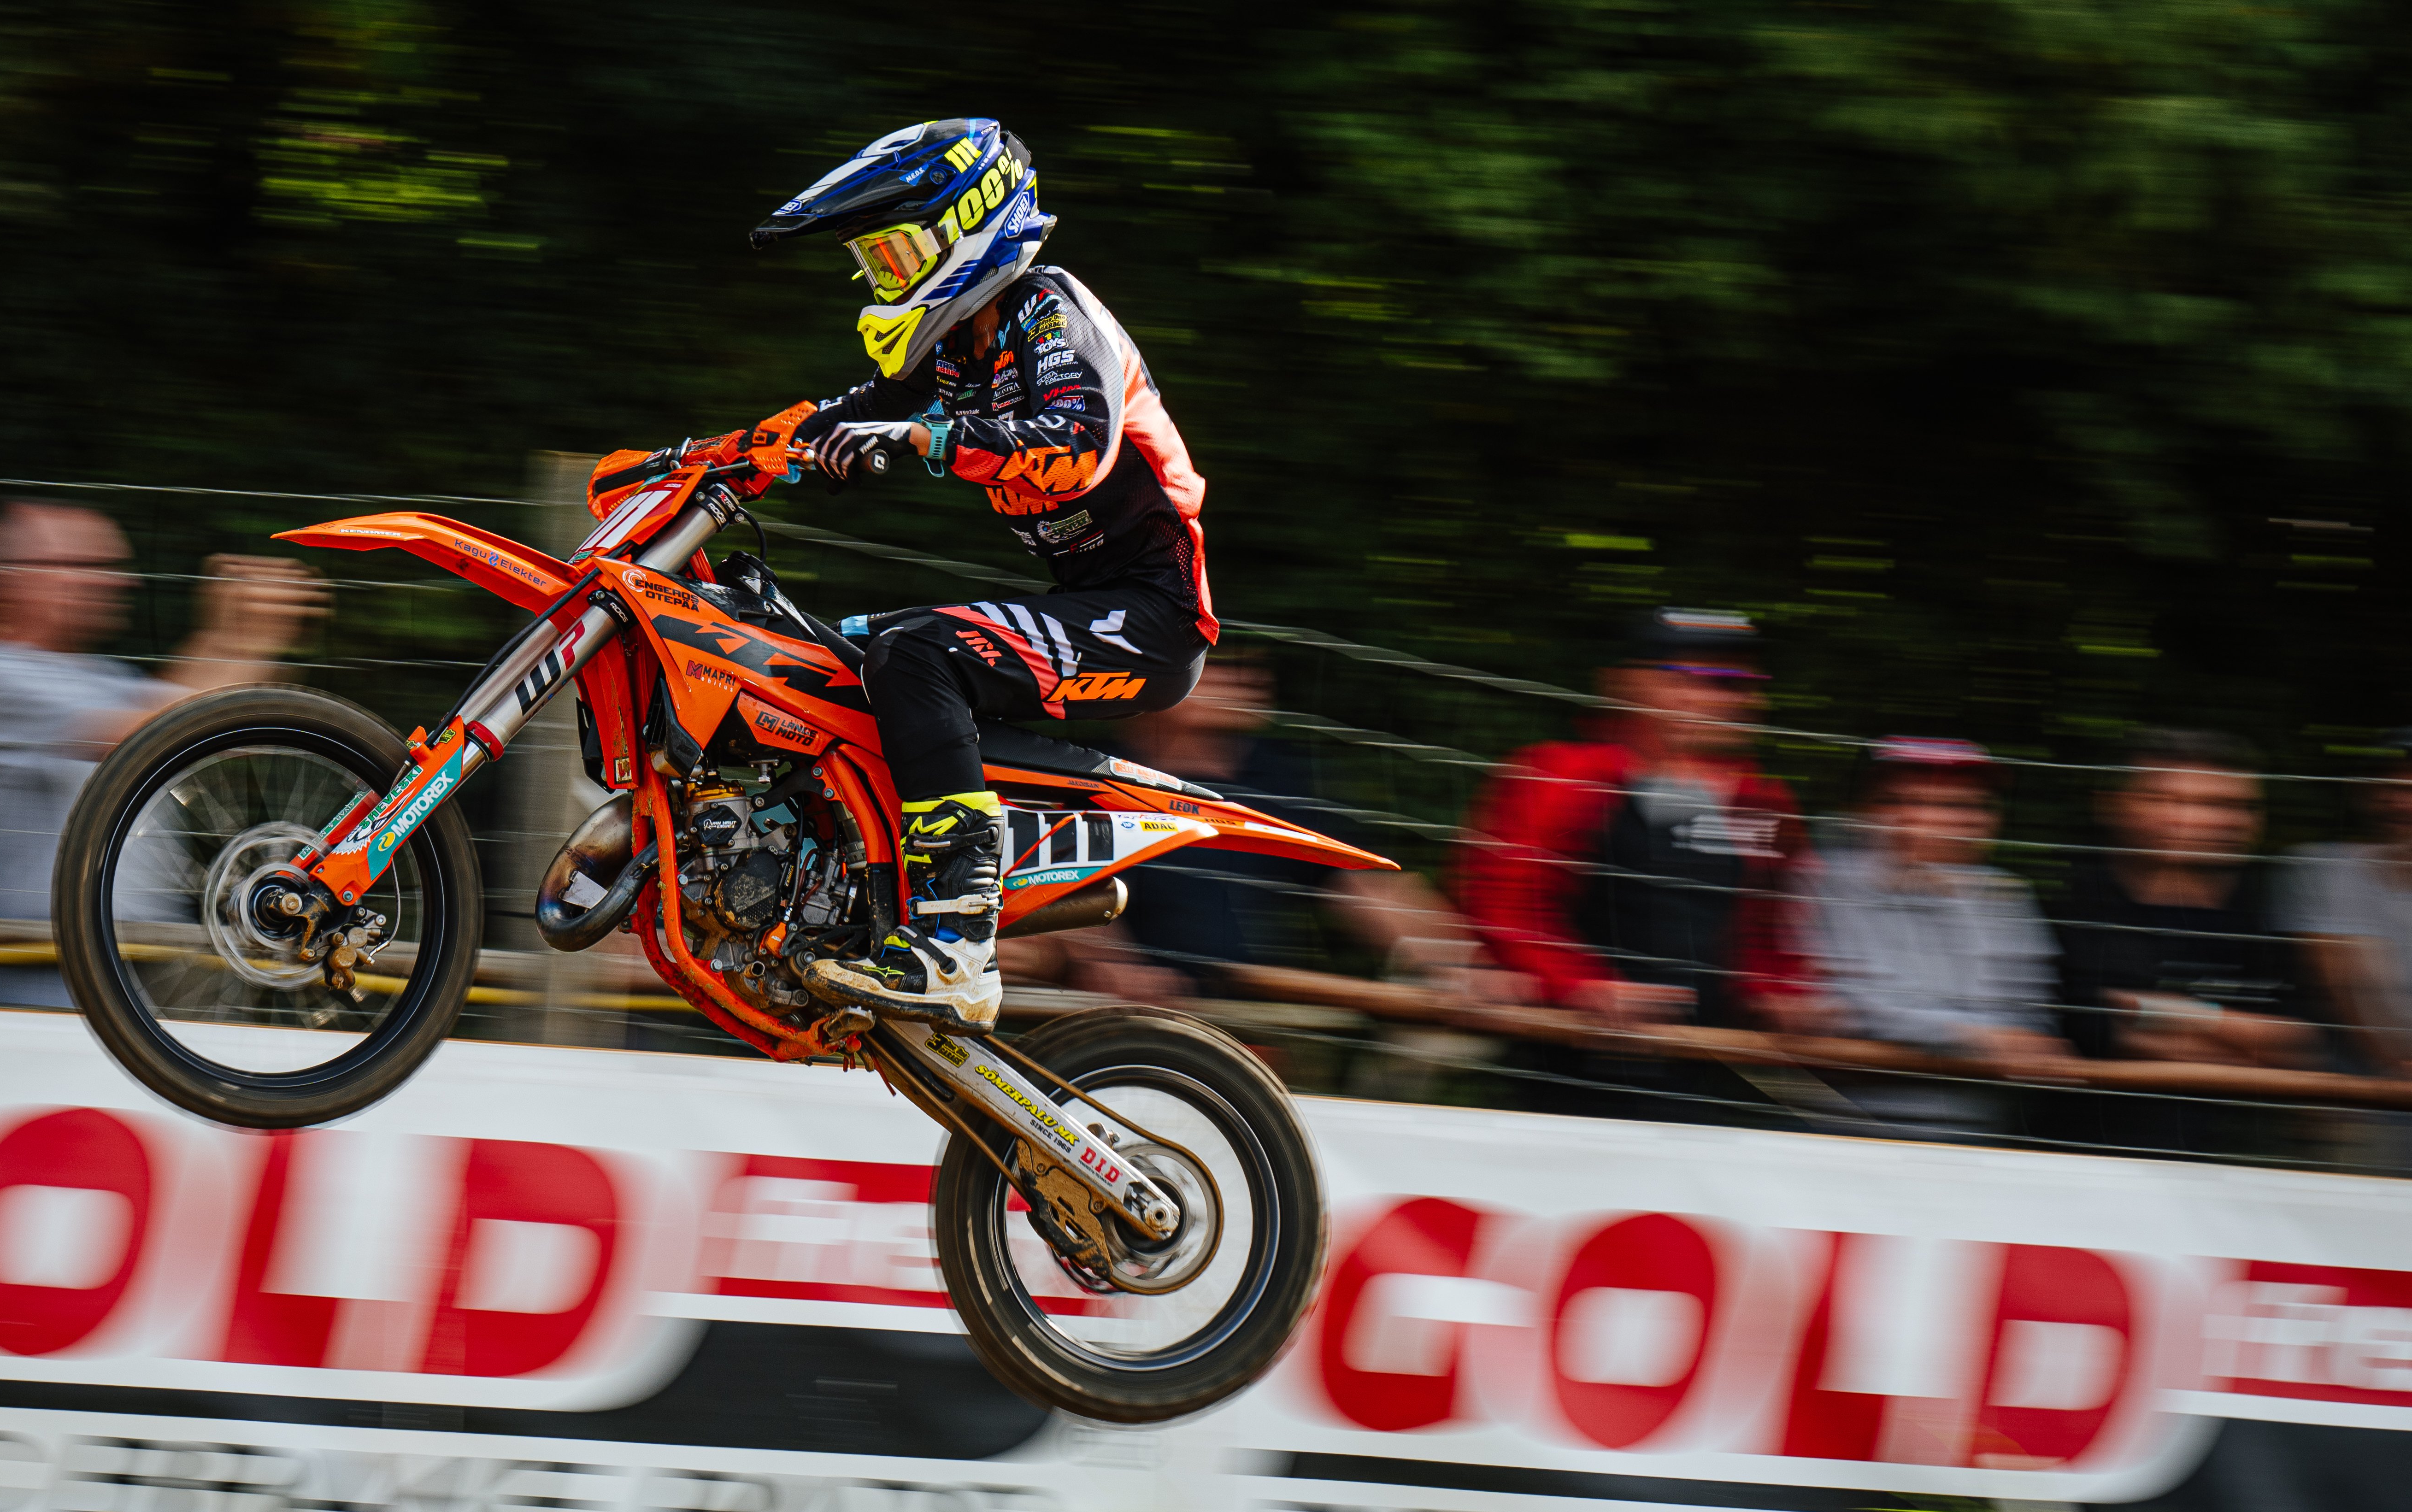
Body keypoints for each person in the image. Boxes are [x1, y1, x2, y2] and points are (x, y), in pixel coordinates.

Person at [747, 119, 1212, 1031]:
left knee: (915, 655)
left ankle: (956, 947)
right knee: (824, 654)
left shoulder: (1048, 309)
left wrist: (923, 438)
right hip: (1087, 602)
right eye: (871, 263)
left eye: (894, 255)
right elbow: (838, 417)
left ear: (967, 227)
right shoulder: (963, 342)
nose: (882, 280)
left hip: (1149, 617)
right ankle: (846, 900)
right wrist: (702, 459)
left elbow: (1075, 445)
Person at [0, 501, 325, 1006]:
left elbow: (223, 729)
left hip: (135, 960)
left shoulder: (105, 676)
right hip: (35, 965)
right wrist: (236, 634)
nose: (119, 581)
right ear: (6, 578)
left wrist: (247, 640)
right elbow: (148, 735)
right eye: (86, 566)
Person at [1457, 608, 1826, 1121]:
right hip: (1575, 1057)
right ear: (1629, 684)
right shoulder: (1562, 775)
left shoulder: (1762, 802)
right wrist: (1582, 986)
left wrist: (1780, 994)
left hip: (1711, 1065)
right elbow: (1505, 905)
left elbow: (1771, 932)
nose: (1737, 697)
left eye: (1746, 681)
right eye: (1710, 679)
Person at [1000, 652, 1524, 1007]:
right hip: (1096, 1016)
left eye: (1249, 668)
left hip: (1239, 1020)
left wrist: (1461, 965)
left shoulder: (1275, 780)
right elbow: (1048, 880)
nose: (1245, 681)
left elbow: (1360, 883)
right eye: (1221, 665)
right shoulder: (1089, 774)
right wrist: (1113, 965)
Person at [2052, 727, 2316, 1159]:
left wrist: (2179, 1014)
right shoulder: (2079, 907)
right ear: (2113, 805)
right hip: (2096, 1160)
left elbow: (2301, 1043)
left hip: (2247, 1166)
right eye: (2172, 800)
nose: (2211, 821)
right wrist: (2255, 1046)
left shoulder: (2270, 908)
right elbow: (2112, 1029)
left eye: (2232, 805)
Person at [1795, 737, 2072, 1136]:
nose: (1968, 820)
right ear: (1879, 810)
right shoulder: (1830, 881)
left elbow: (2028, 1020)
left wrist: (1986, 1038)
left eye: (1972, 805)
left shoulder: (2006, 895)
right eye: (1934, 803)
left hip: (1979, 1133)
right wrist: (1976, 1037)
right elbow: (1852, 1005)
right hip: (1845, 1128)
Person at [2277, 730, 2412, 1169]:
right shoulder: (2323, 869)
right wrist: (2396, 1065)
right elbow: (2348, 985)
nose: (2401, 802)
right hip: (2358, 1101)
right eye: (2391, 787)